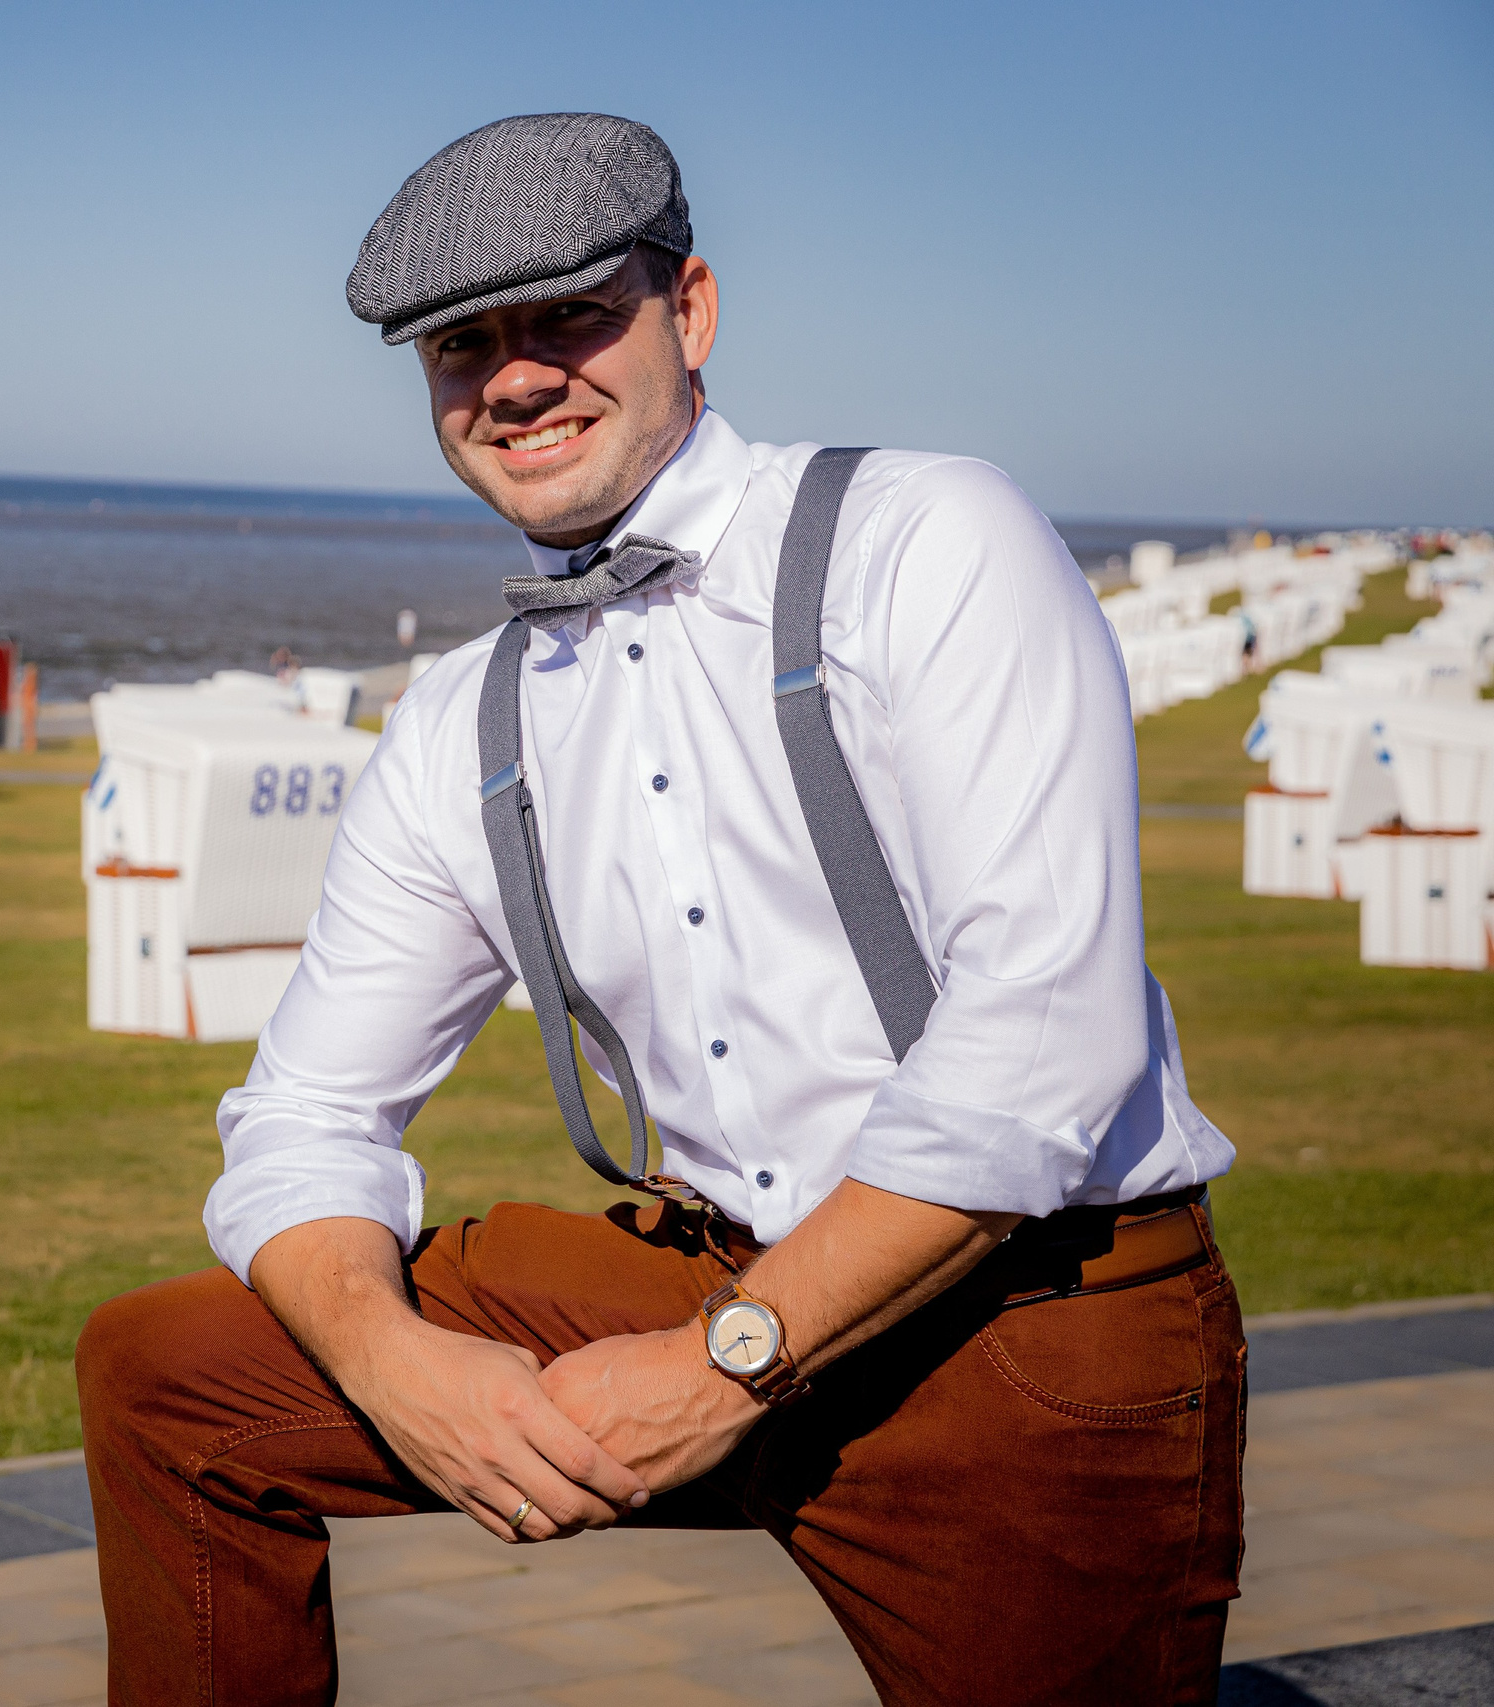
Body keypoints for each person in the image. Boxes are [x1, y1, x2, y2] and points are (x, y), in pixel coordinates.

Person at [76, 113, 1243, 1705]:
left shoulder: (924, 539)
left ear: (689, 312)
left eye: (569, 317)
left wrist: (722, 1367)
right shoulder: (461, 719)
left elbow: (1044, 1045)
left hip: (1021, 1317)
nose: (515, 379)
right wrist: (396, 1368)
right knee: (167, 1378)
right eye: (461, 346)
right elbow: (302, 1116)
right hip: (700, 1271)